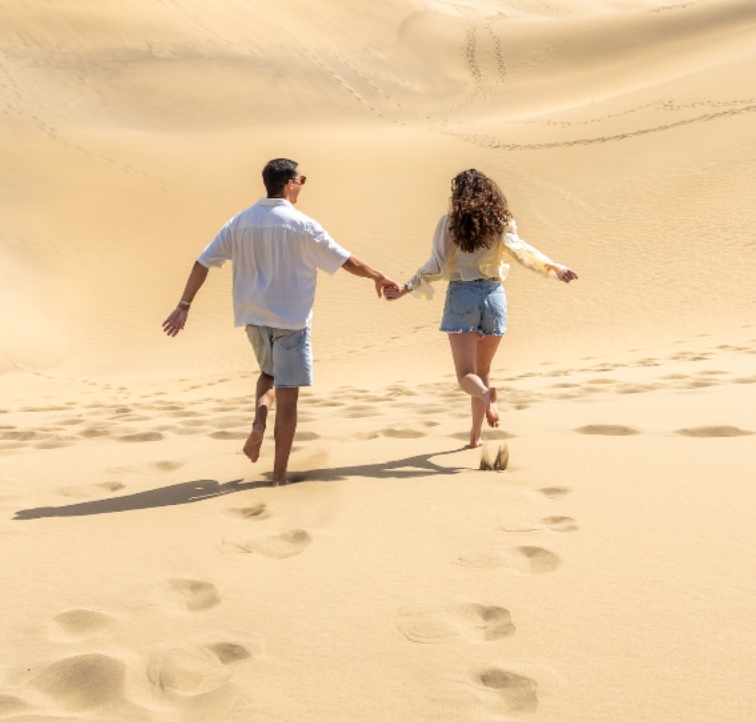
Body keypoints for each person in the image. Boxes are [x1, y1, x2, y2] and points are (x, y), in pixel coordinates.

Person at [163, 158, 398, 486]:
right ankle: (277, 477)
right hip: (291, 320)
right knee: (288, 397)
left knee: (267, 375)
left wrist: (184, 305)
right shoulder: (302, 224)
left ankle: (258, 424)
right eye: (301, 178)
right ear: (289, 183)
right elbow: (345, 260)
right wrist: (379, 276)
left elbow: (203, 262)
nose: (303, 183)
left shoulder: (239, 222)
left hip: (253, 318)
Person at [384, 168, 578, 450]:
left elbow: (435, 266)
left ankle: (487, 397)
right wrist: (555, 269)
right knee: (483, 370)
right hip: (494, 296)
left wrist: (406, 288)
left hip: (463, 296)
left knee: (467, 376)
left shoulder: (449, 223)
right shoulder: (501, 221)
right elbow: (523, 252)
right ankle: (476, 436)